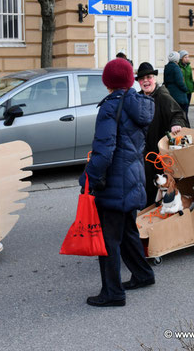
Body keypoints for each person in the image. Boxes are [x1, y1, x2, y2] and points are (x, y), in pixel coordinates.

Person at [80, 58, 155, 307]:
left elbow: (105, 149)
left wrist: (88, 177)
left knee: (108, 239)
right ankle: (143, 275)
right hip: (133, 176)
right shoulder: (139, 104)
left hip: (114, 181)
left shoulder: (110, 106)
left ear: (108, 82)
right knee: (128, 230)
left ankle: (113, 292)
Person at [136, 62, 189, 207]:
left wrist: (175, 123)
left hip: (159, 151)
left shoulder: (162, 96)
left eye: (148, 77)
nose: (145, 81)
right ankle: (146, 212)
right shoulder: (138, 98)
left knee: (158, 184)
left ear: (154, 78)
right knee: (144, 183)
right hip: (143, 150)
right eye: (142, 79)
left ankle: (156, 211)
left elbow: (178, 113)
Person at [164, 51, 189, 116]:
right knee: (183, 115)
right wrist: (186, 89)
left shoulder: (167, 67)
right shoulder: (176, 68)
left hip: (171, 93)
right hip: (179, 96)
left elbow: (165, 81)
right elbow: (180, 82)